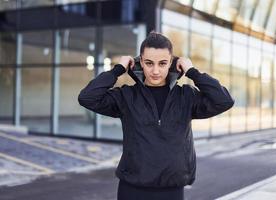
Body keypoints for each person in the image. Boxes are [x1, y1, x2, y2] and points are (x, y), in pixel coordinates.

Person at [78, 31, 234, 200]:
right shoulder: (126, 96)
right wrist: (118, 69)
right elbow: (87, 97)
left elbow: (224, 100)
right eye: (149, 63)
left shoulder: (187, 97)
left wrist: (193, 72)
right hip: (132, 189)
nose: (155, 70)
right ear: (140, 63)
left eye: (162, 63)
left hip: (171, 189)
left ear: (172, 64)